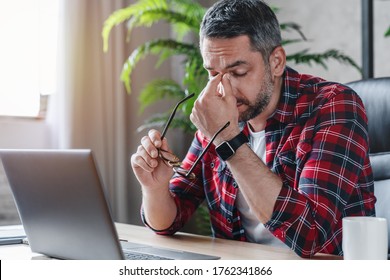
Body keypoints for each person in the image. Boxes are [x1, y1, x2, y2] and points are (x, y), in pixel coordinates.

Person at [130, 0, 375, 258]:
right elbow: (171, 218)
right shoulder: (219, 112)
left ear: (277, 61)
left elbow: (310, 235)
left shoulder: (333, 106)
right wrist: (155, 189)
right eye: (213, 73)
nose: (223, 88)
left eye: (238, 72)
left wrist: (228, 140)